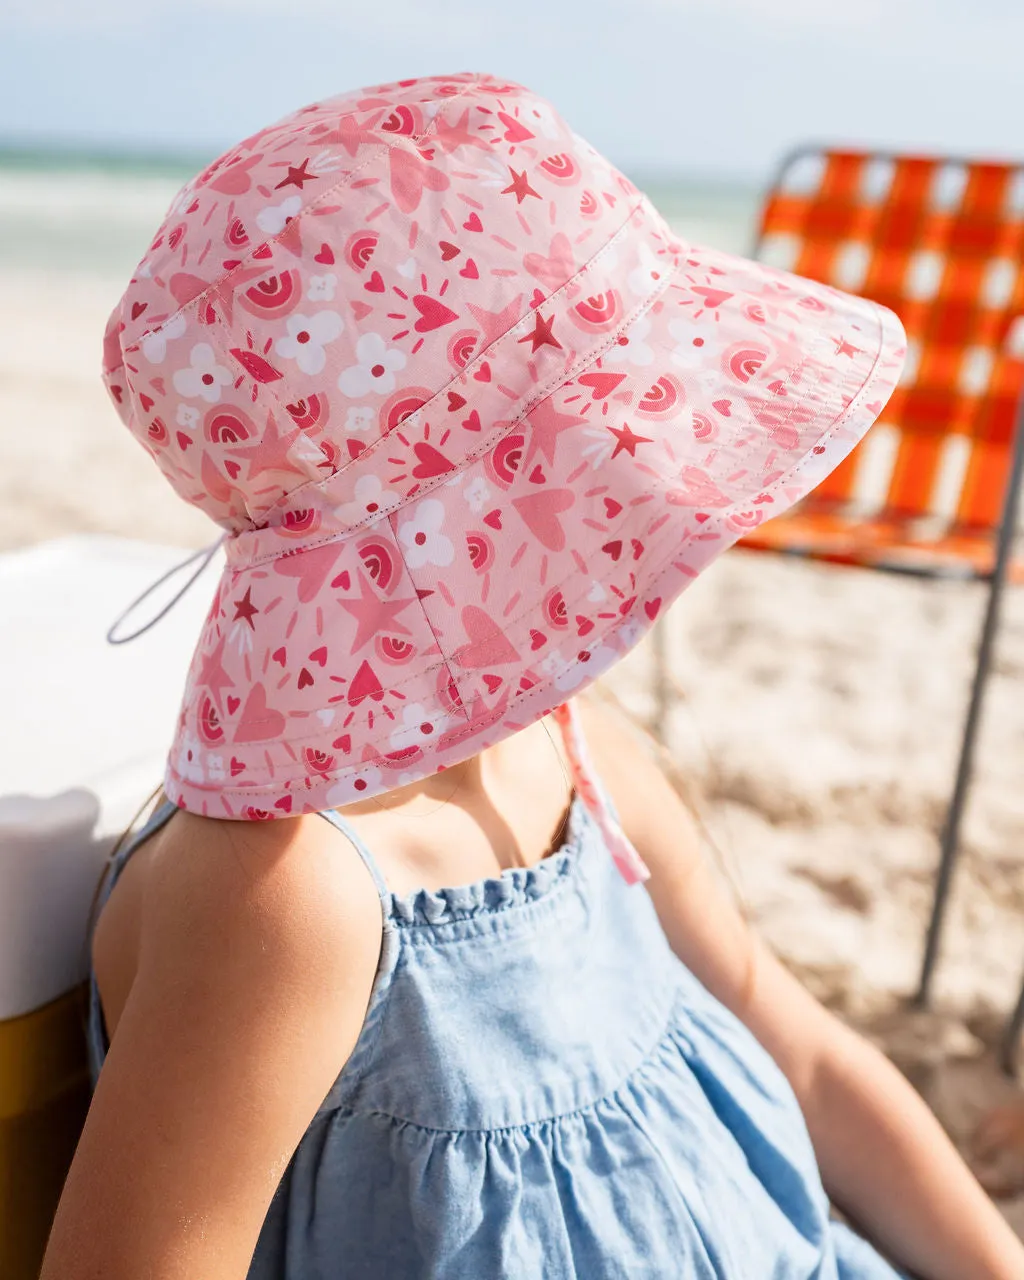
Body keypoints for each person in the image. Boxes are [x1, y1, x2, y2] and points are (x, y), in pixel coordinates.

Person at [43, 74, 1024, 1278]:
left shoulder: (571, 743)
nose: (662, 492)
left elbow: (804, 1058)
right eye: (612, 453)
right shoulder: (289, 903)